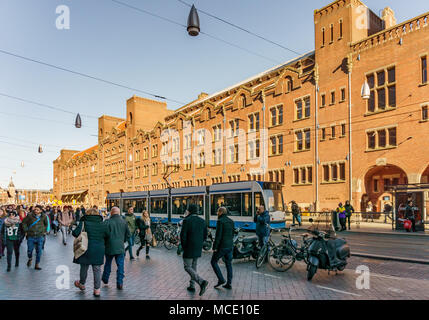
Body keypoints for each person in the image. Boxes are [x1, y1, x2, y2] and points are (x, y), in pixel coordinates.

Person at [72, 208, 109, 297]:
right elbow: (107, 235)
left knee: (84, 266)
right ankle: (97, 290)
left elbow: (75, 233)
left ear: (87, 214)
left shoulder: (84, 222)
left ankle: (82, 284)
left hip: (85, 247)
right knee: (97, 269)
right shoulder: (103, 224)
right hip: (98, 248)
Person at [180, 204, 208, 296]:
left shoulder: (186, 220)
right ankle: (192, 285)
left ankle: (201, 281)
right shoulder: (202, 221)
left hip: (189, 246)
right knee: (194, 266)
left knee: (187, 266)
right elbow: (205, 235)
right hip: (198, 247)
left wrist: (184, 247)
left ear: (189, 211)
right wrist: (200, 243)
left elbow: (183, 236)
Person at [102, 207, 130, 290]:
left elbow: (103, 234)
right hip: (120, 247)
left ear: (111, 213)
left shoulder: (107, 222)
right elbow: (128, 235)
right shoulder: (123, 222)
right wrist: (122, 240)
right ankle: (120, 283)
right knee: (120, 265)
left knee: (108, 263)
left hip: (109, 246)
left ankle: (105, 279)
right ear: (118, 213)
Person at [211, 207, 234, 290]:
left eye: (218, 211)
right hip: (230, 246)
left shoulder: (220, 221)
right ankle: (229, 283)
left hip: (222, 246)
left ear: (220, 212)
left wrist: (215, 247)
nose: (217, 213)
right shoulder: (231, 221)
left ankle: (221, 279)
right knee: (228, 264)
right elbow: (232, 234)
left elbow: (218, 236)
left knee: (213, 262)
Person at [22, 206, 49, 270]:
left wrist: (44, 231)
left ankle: (37, 264)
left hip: (40, 236)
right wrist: (26, 230)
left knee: (39, 251)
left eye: (37, 210)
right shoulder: (30, 216)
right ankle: (30, 258)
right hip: (31, 236)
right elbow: (24, 222)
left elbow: (46, 224)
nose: (35, 211)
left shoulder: (44, 216)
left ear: (41, 211)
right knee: (29, 250)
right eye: (35, 209)